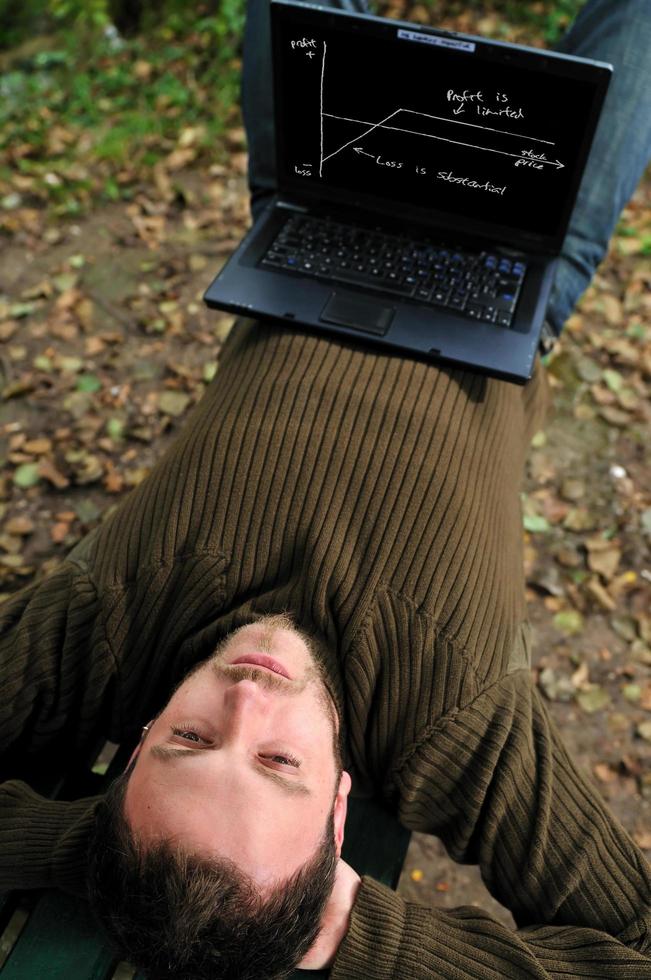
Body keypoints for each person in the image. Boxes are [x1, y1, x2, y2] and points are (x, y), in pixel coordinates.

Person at [1, 0, 650, 976]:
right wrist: (361, 937)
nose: (245, 699)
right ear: (340, 809)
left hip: (317, 207)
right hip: (513, 262)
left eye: (186, 739)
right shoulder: (454, 719)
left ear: (132, 748)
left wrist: (87, 851)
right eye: (277, 764)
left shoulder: (105, 623)